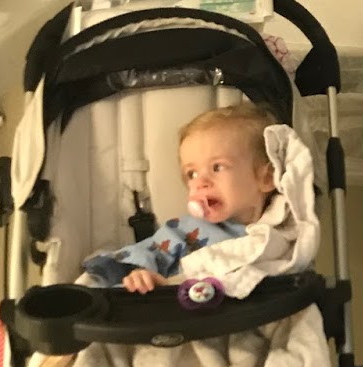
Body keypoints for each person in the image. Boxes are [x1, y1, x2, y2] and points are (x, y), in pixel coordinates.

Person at [84, 102, 280, 292]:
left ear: (267, 178)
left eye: (217, 167)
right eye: (191, 174)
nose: (200, 182)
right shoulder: (186, 230)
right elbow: (147, 254)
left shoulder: (284, 232)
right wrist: (140, 275)